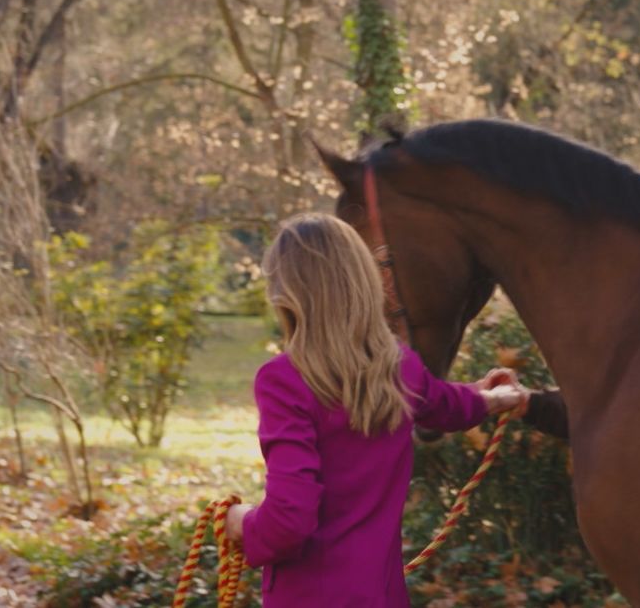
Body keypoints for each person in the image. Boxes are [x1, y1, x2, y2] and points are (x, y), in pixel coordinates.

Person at [224, 212, 528, 607]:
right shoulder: (400, 367)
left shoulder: (284, 380)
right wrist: (493, 399)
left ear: (286, 294)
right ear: (362, 282)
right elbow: (444, 405)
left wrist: (240, 522)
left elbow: (289, 520)